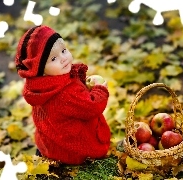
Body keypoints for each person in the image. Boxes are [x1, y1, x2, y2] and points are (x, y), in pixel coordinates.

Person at [15, 25, 111, 165]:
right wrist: (99, 90)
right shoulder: (65, 92)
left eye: (64, 50)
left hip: (52, 144)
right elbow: (91, 107)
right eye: (53, 59)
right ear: (39, 70)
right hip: (74, 151)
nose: (63, 58)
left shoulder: (41, 87)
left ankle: (47, 153)